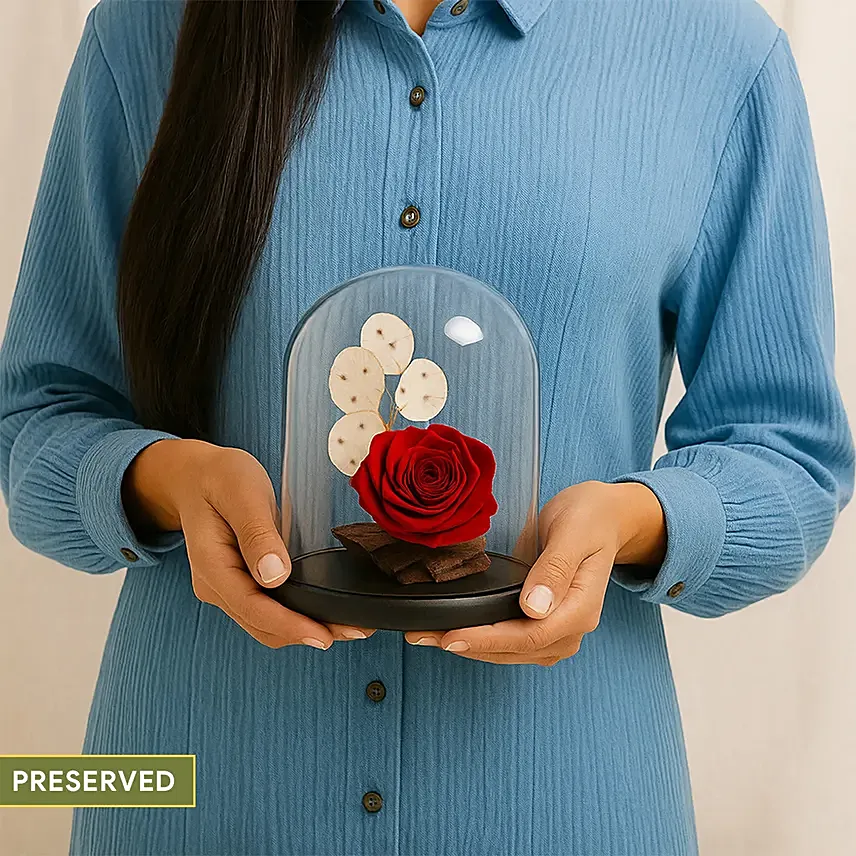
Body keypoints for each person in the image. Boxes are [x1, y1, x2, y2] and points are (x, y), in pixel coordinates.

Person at [1, 0, 852, 853]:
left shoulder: (714, 49)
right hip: (199, 797)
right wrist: (164, 481)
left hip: (560, 805)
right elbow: (37, 422)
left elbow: (791, 454)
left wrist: (635, 522)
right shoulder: (146, 29)